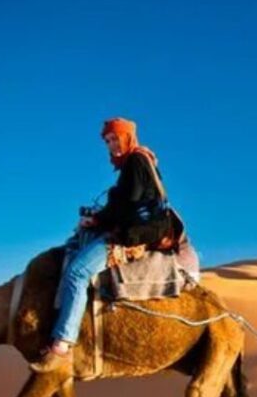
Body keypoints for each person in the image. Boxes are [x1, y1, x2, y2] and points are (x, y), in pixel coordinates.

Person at [32, 117, 173, 372]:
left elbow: (128, 204)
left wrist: (98, 218)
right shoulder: (137, 162)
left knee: (77, 271)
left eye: (115, 138)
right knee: (76, 244)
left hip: (134, 235)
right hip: (132, 227)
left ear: (127, 137)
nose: (112, 145)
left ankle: (63, 342)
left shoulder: (136, 161)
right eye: (108, 141)